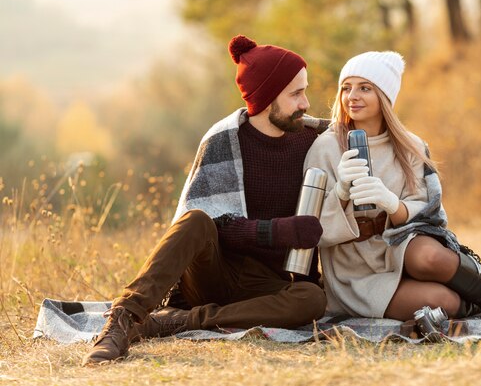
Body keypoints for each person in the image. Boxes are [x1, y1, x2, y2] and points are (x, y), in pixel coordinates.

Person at [82, 35, 329, 365]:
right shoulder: (222, 141)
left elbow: (371, 133)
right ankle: (123, 320)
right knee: (196, 219)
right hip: (213, 272)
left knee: (312, 299)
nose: (306, 103)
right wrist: (277, 231)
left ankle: (172, 322)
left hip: (268, 284)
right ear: (268, 97)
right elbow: (213, 225)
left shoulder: (315, 140)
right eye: (296, 93)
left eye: (304, 90)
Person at [303, 51, 481, 324]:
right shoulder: (326, 147)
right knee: (445, 302)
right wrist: (341, 193)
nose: (352, 96)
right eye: (346, 88)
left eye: (365, 88)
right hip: (354, 270)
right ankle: (469, 298)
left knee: (429, 256)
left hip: (399, 247)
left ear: (384, 96)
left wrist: (394, 204)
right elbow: (310, 228)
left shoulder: (411, 146)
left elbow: (431, 214)